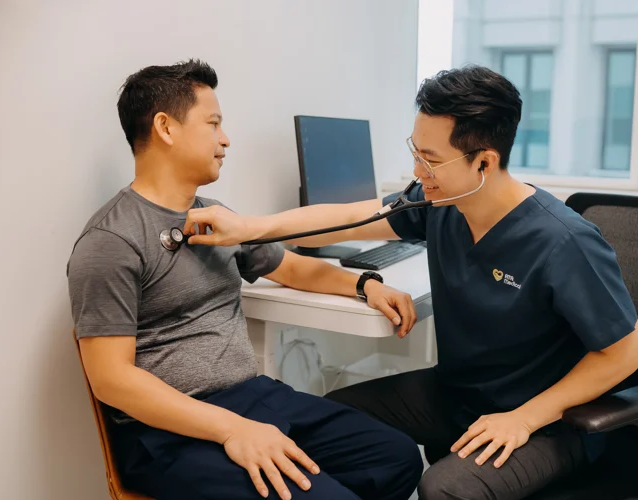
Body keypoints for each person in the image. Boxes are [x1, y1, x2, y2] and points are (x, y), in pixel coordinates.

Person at [182, 64, 638, 499]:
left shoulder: (563, 241)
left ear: (484, 161)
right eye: (415, 153)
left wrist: (525, 419)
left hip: (548, 422)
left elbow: (624, 352)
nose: (418, 173)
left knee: (443, 489)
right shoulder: (440, 204)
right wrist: (249, 228)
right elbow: (348, 216)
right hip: (459, 393)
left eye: (431, 159)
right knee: (334, 420)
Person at [66, 59, 424, 500]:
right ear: (165, 127)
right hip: (166, 431)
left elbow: (290, 267)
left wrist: (366, 285)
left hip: (251, 397)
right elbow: (111, 379)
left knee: (396, 458)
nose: (225, 138)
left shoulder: (218, 218)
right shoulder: (112, 239)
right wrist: (233, 430)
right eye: (213, 123)